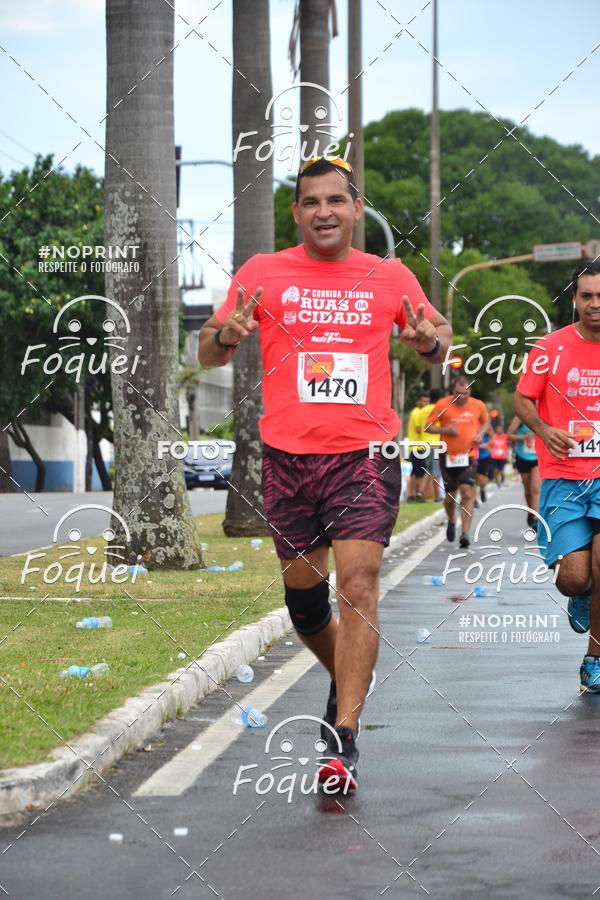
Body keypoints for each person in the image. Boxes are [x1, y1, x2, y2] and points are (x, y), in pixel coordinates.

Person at [198, 156, 452, 788]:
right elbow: (207, 349)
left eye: (335, 200)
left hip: (365, 454)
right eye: (311, 202)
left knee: (359, 585)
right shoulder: (263, 272)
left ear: (356, 209)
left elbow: (438, 336)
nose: (324, 212)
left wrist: (426, 340)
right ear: (297, 212)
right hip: (287, 457)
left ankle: (344, 737)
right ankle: (348, 674)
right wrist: (226, 335)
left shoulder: (389, 275)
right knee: (305, 601)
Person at [514, 259, 600, 692]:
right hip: (564, 478)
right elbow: (523, 399)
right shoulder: (550, 348)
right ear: (574, 300)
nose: (595, 303)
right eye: (587, 296)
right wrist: (544, 429)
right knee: (574, 578)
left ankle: (594, 658)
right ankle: (581, 595)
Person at [426, 376, 488, 548]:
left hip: (468, 455)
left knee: (467, 493)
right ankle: (452, 520)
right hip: (447, 455)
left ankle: (465, 533)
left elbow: (485, 422)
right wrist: (445, 430)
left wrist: (480, 434)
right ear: (452, 391)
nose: (462, 397)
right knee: (450, 497)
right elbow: (428, 427)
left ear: (470, 392)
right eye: (458, 393)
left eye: (465, 393)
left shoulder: (478, 405)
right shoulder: (442, 405)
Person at [507, 415, 539, 527]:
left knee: (536, 488)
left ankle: (536, 518)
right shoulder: (520, 417)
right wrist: (524, 437)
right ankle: (531, 511)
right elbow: (509, 435)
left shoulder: (543, 414)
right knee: (528, 490)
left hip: (538, 457)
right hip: (523, 457)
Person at [416, 388, 443, 500]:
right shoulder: (440, 410)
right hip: (436, 444)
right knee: (436, 471)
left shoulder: (422, 411)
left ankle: (420, 492)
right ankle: (437, 496)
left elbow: (418, 428)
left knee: (427, 470)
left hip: (423, 444)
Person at [406, 392, 430, 502]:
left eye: (428, 401)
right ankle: (417, 494)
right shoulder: (417, 412)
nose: (426, 404)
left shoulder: (419, 412)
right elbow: (418, 429)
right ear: (418, 402)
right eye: (424, 401)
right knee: (420, 472)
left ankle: (412, 495)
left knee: (415, 472)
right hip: (418, 446)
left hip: (417, 446)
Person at [475, 423, 493, 504]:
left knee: (482, 480)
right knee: (472, 479)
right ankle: (474, 499)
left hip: (483, 456)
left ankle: (482, 489)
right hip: (471, 455)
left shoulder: (485, 424)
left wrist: (487, 444)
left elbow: (492, 438)